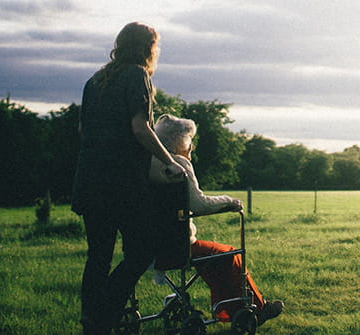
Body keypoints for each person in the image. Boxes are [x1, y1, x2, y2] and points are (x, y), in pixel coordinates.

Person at [71, 22, 186, 335]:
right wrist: (169, 162)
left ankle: (91, 321)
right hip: (120, 184)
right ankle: (104, 314)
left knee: (98, 256)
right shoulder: (137, 76)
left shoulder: (94, 81)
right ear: (147, 48)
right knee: (142, 251)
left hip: (89, 181)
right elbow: (140, 128)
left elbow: (83, 131)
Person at [148, 114, 284, 325]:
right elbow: (199, 205)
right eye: (190, 140)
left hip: (150, 246)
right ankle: (257, 308)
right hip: (178, 246)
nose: (192, 146)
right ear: (180, 141)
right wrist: (230, 201)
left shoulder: (149, 163)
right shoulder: (179, 163)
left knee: (214, 256)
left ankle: (229, 310)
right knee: (229, 254)